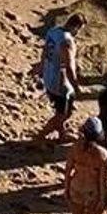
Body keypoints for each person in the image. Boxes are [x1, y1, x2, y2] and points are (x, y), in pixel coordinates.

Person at [34, 13, 85, 142]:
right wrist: (76, 87)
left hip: (48, 75)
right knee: (64, 114)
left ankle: (62, 135)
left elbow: (44, 52)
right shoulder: (67, 41)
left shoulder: (53, 32)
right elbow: (68, 67)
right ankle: (39, 137)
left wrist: (41, 69)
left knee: (60, 110)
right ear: (76, 27)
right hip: (60, 82)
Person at [64, 117, 107, 214]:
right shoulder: (102, 155)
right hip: (92, 192)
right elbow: (102, 180)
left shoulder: (75, 148)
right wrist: (102, 198)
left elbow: (68, 171)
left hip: (76, 189)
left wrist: (66, 188)